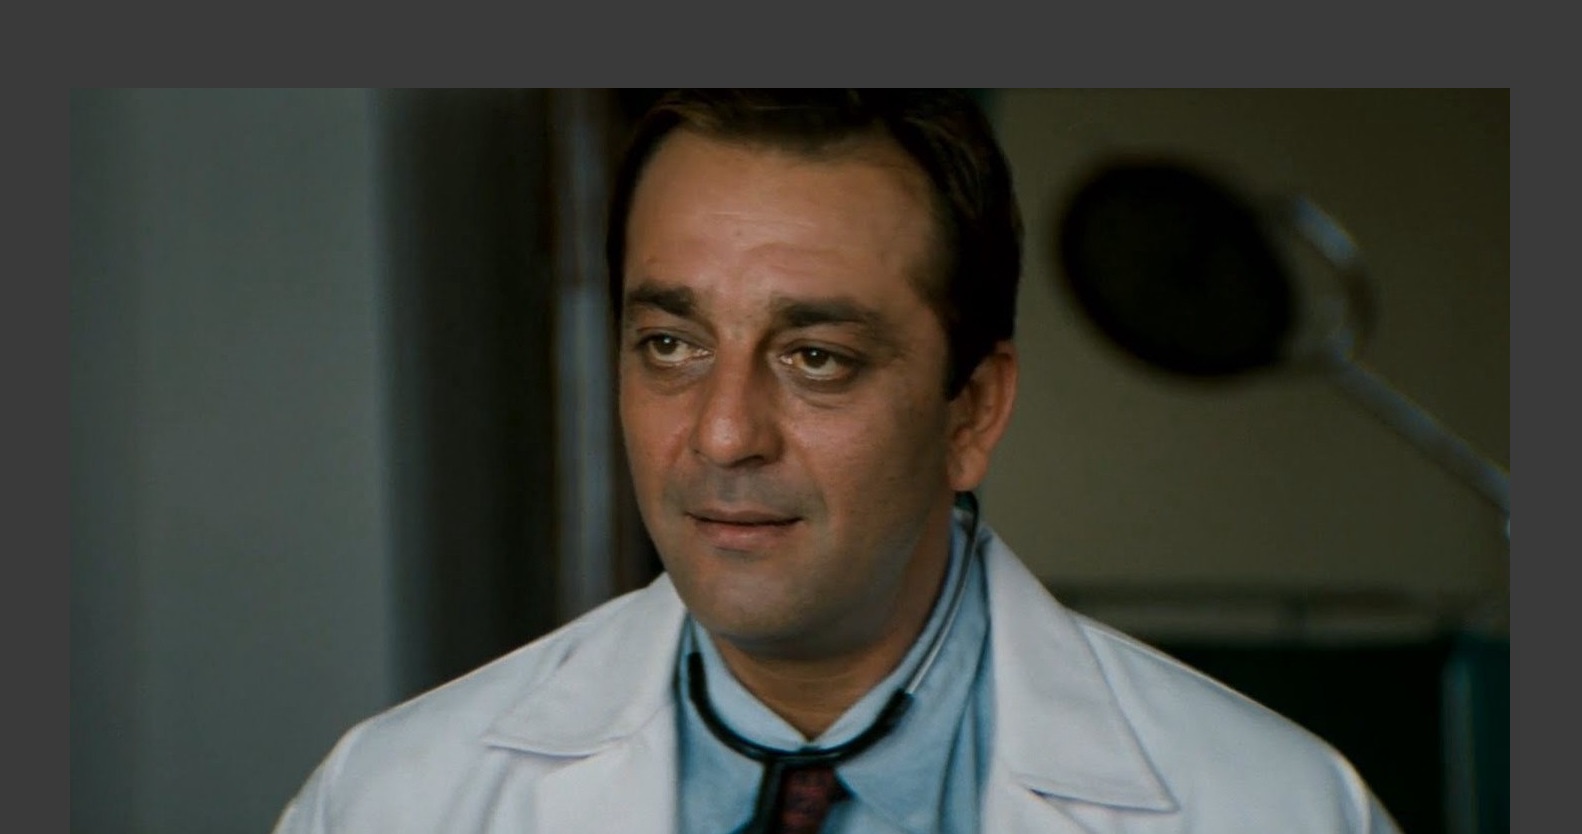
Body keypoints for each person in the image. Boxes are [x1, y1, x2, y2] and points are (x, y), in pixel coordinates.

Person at [272, 89, 1402, 833]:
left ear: (972, 412)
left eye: (814, 358)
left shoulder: (1272, 808)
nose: (723, 435)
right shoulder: (396, 797)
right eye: (669, 346)